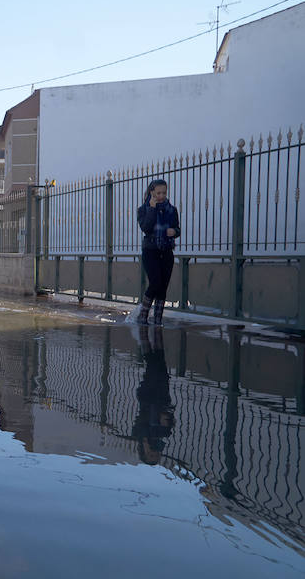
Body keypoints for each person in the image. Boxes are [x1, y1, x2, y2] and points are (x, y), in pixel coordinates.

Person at [136, 179, 180, 325]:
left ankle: (157, 319)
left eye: (164, 193)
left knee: (163, 287)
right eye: (158, 193)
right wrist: (152, 209)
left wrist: (174, 231)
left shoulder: (172, 210)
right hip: (150, 251)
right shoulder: (143, 209)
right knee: (155, 282)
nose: (161, 196)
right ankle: (143, 315)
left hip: (167, 251)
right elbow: (146, 228)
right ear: (151, 193)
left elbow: (177, 229)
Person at [132, 327, 175, 465]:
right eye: (156, 454)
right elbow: (169, 417)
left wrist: (145, 440)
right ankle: (154, 333)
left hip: (149, 396)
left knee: (153, 365)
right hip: (162, 397)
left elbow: (142, 420)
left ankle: (145, 332)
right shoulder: (164, 433)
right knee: (160, 362)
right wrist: (165, 419)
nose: (154, 451)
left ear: (144, 451)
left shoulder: (139, 433)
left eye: (151, 453)